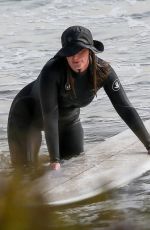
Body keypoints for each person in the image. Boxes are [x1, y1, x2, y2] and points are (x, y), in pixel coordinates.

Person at [7, 25, 150, 170]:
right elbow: (50, 116)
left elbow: (125, 108)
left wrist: (148, 144)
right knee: (24, 172)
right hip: (27, 117)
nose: (75, 58)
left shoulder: (103, 71)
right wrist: (54, 159)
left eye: (80, 51)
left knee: (74, 166)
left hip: (68, 122)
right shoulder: (52, 72)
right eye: (70, 52)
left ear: (89, 50)